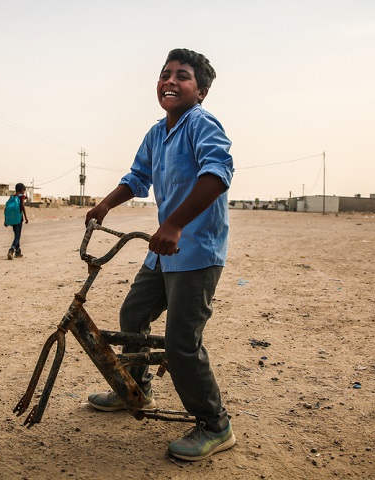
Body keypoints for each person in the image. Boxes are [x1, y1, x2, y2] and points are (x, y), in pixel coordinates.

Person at [85, 48, 235, 461]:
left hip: (196, 252)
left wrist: (174, 224)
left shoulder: (201, 124)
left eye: (182, 76)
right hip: (162, 254)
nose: (170, 81)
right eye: (165, 74)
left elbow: (217, 174)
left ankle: (215, 425)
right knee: (133, 315)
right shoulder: (157, 132)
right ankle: (136, 388)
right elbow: (138, 176)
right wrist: (105, 204)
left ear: (200, 91)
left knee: (181, 342)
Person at [4, 183, 28, 259]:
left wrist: (6, 220)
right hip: (18, 218)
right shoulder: (22, 197)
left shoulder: (12, 197)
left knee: (16, 235)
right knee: (18, 235)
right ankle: (11, 249)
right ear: (22, 190)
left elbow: (6, 209)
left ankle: (18, 252)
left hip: (11, 218)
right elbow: (22, 206)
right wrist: (26, 217)